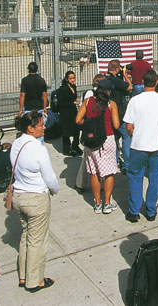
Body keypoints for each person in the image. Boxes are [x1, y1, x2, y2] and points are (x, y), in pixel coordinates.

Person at [10, 111, 59, 292]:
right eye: (40, 125)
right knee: (38, 241)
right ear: (30, 128)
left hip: (19, 197)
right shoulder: (39, 149)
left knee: (26, 236)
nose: (43, 127)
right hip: (36, 199)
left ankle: (23, 276)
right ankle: (34, 280)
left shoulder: (16, 144)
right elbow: (50, 178)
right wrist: (55, 190)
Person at [123, 70, 158, 222]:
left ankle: (134, 211)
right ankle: (151, 210)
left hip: (138, 145)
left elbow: (128, 126)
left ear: (143, 82)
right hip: (157, 145)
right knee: (154, 177)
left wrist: (135, 134)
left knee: (135, 176)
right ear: (156, 83)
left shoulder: (135, 101)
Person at [75, 80, 120, 214]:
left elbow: (78, 120)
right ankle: (107, 203)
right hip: (108, 138)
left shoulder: (88, 101)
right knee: (109, 172)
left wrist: (90, 124)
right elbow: (116, 125)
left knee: (94, 171)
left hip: (91, 139)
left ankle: (97, 203)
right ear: (108, 91)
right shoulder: (111, 104)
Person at [106, 60, 133, 171]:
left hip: (109, 113)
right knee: (126, 136)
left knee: (115, 138)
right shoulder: (115, 80)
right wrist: (125, 75)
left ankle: (115, 160)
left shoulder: (106, 79)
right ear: (117, 69)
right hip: (119, 113)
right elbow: (129, 87)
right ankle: (126, 165)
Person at [54, 71, 80, 156]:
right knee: (66, 132)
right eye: (70, 78)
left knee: (77, 129)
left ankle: (75, 145)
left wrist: (76, 101)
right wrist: (72, 103)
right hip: (65, 113)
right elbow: (61, 103)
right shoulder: (63, 89)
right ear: (66, 79)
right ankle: (66, 148)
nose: (72, 80)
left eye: (73, 78)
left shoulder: (74, 87)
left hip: (73, 112)